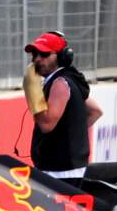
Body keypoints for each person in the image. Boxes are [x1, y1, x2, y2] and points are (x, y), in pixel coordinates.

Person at [24, 30, 103, 180]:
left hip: (60, 171)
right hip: (68, 168)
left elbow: (46, 124)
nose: (37, 60)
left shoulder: (60, 83)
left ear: (62, 57)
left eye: (45, 55)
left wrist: (32, 92)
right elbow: (95, 111)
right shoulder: (69, 79)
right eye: (35, 55)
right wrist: (69, 134)